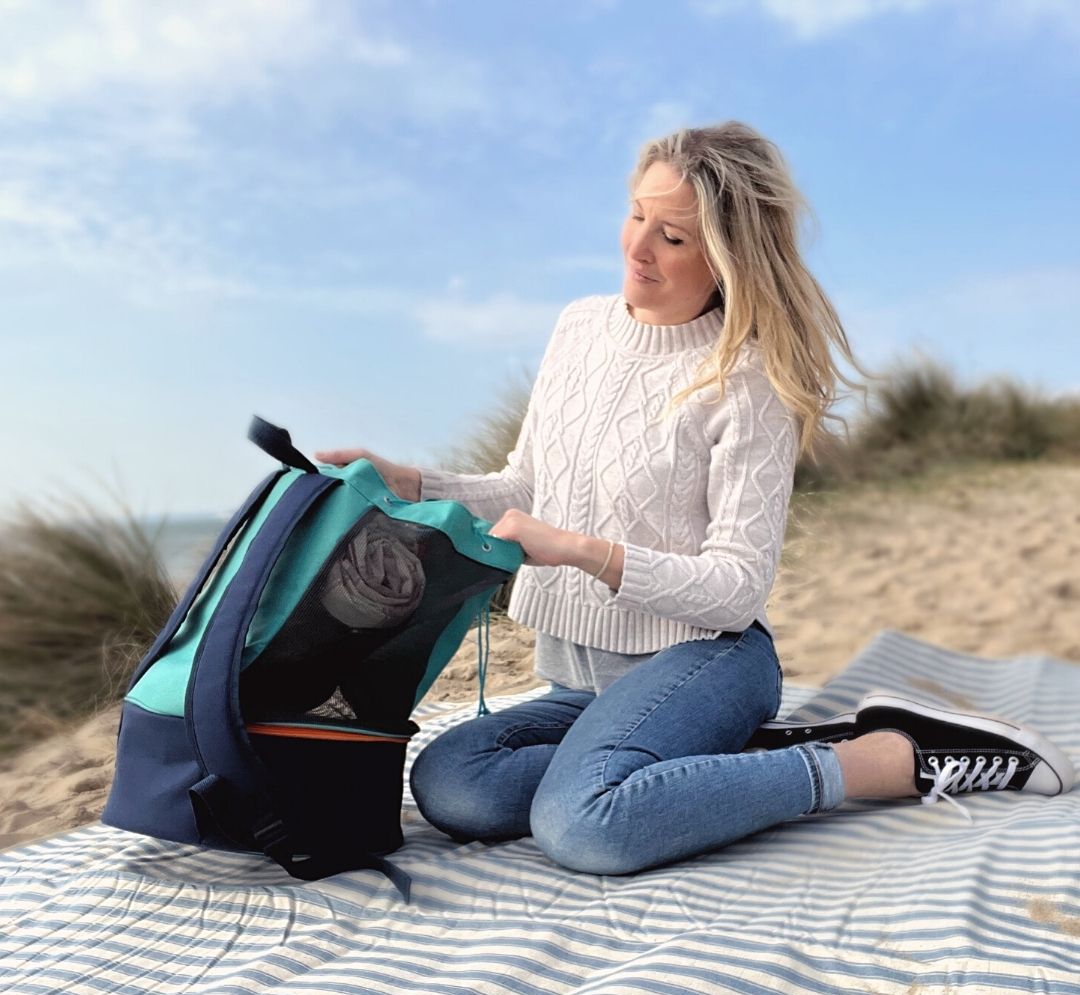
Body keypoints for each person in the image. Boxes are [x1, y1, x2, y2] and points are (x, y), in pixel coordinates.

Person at [316, 122, 1073, 876]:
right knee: (454, 784)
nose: (638, 247)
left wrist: (585, 552)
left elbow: (737, 588)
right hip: (581, 683)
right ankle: (704, 757)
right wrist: (410, 482)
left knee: (582, 824)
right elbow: (526, 486)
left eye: (672, 236)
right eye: (636, 215)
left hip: (707, 658)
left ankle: (886, 759)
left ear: (727, 257)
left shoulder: (748, 379)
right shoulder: (578, 330)